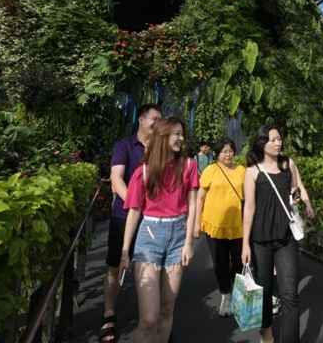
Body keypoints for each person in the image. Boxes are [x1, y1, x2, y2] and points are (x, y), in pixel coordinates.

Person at [118, 116, 199, 343]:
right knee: (149, 318)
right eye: (176, 134)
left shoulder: (190, 165)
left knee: (167, 309)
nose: (181, 138)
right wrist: (125, 251)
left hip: (178, 235)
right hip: (149, 236)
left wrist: (188, 243)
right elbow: (134, 212)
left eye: (182, 134)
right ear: (162, 136)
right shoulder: (143, 171)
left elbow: (192, 205)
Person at [100, 103, 161, 343]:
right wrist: (136, 205)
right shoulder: (124, 146)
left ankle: (148, 317)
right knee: (115, 264)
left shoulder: (161, 147)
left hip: (154, 220)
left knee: (149, 266)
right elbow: (116, 178)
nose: (158, 123)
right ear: (142, 120)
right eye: (155, 119)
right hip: (124, 216)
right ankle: (108, 312)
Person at [241, 125, 304, 343]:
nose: (278, 143)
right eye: (272, 140)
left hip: (286, 238)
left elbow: (294, 190)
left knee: (290, 295)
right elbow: (249, 207)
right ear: (262, 144)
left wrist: (295, 196)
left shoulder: (288, 165)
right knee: (265, 292)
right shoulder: (252, 172)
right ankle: (266, 330)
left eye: (279, 139)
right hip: (260, 241)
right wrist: (245, 244)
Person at [193, 137, 246, 317]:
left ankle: (238, 295)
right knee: (220, 262)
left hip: (238, 225)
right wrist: (196, 222)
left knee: (239, 262)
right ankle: (226, 294)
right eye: (224, 151)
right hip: (214, 224)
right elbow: (200, 197)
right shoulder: (210, 170)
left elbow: (250, 197)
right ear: (217, 154)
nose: (228, 154)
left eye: (230, 151)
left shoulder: (241, 171)